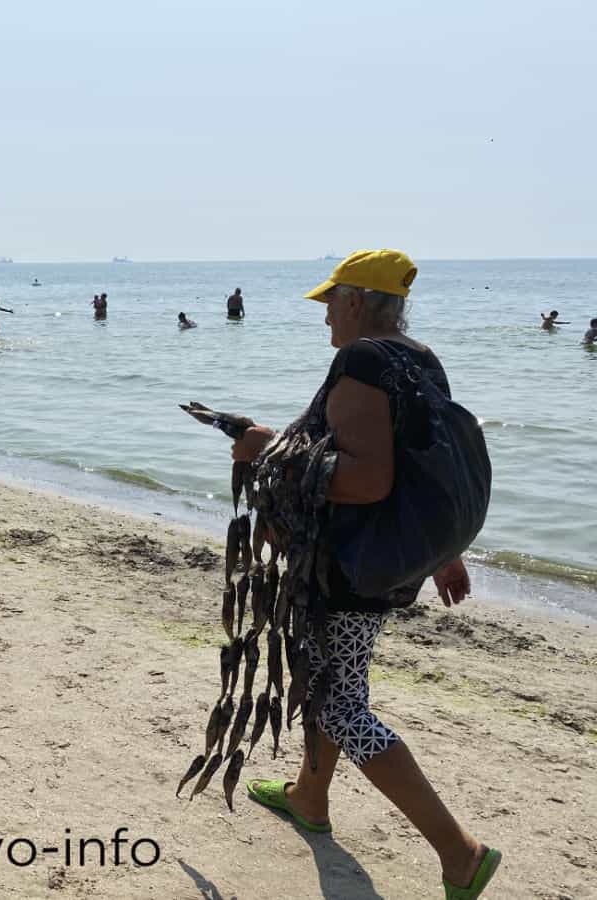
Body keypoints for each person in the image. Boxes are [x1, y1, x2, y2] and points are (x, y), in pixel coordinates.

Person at [232, 250, 501, 900]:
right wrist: (443, 547)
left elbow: (367, 479)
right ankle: (310, 798)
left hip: (348, 564)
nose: (325, 310)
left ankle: (459, 853)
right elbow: (426, 462)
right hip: (385, 559)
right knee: (338, 679)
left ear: (357, 301)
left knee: (338, 702)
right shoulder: (420, 356)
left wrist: (264, 450)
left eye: (332, 298)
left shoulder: (361, 362)